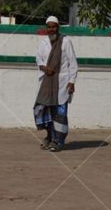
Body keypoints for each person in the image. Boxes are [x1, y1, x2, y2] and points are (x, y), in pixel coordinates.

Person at [34, 15, 78, 152]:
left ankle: (58, 141)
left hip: (62, 83)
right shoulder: (43, 42)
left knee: (60, 113)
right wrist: (44, 68)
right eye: (49, 27)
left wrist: (72, 82)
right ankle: (49, 136)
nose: (51, 29)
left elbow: (73, 63)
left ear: (58, 27)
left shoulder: (66, 41)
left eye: (54, 26)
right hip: (47, 83)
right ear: (46, 28)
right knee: (41, 110)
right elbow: (38, 58)